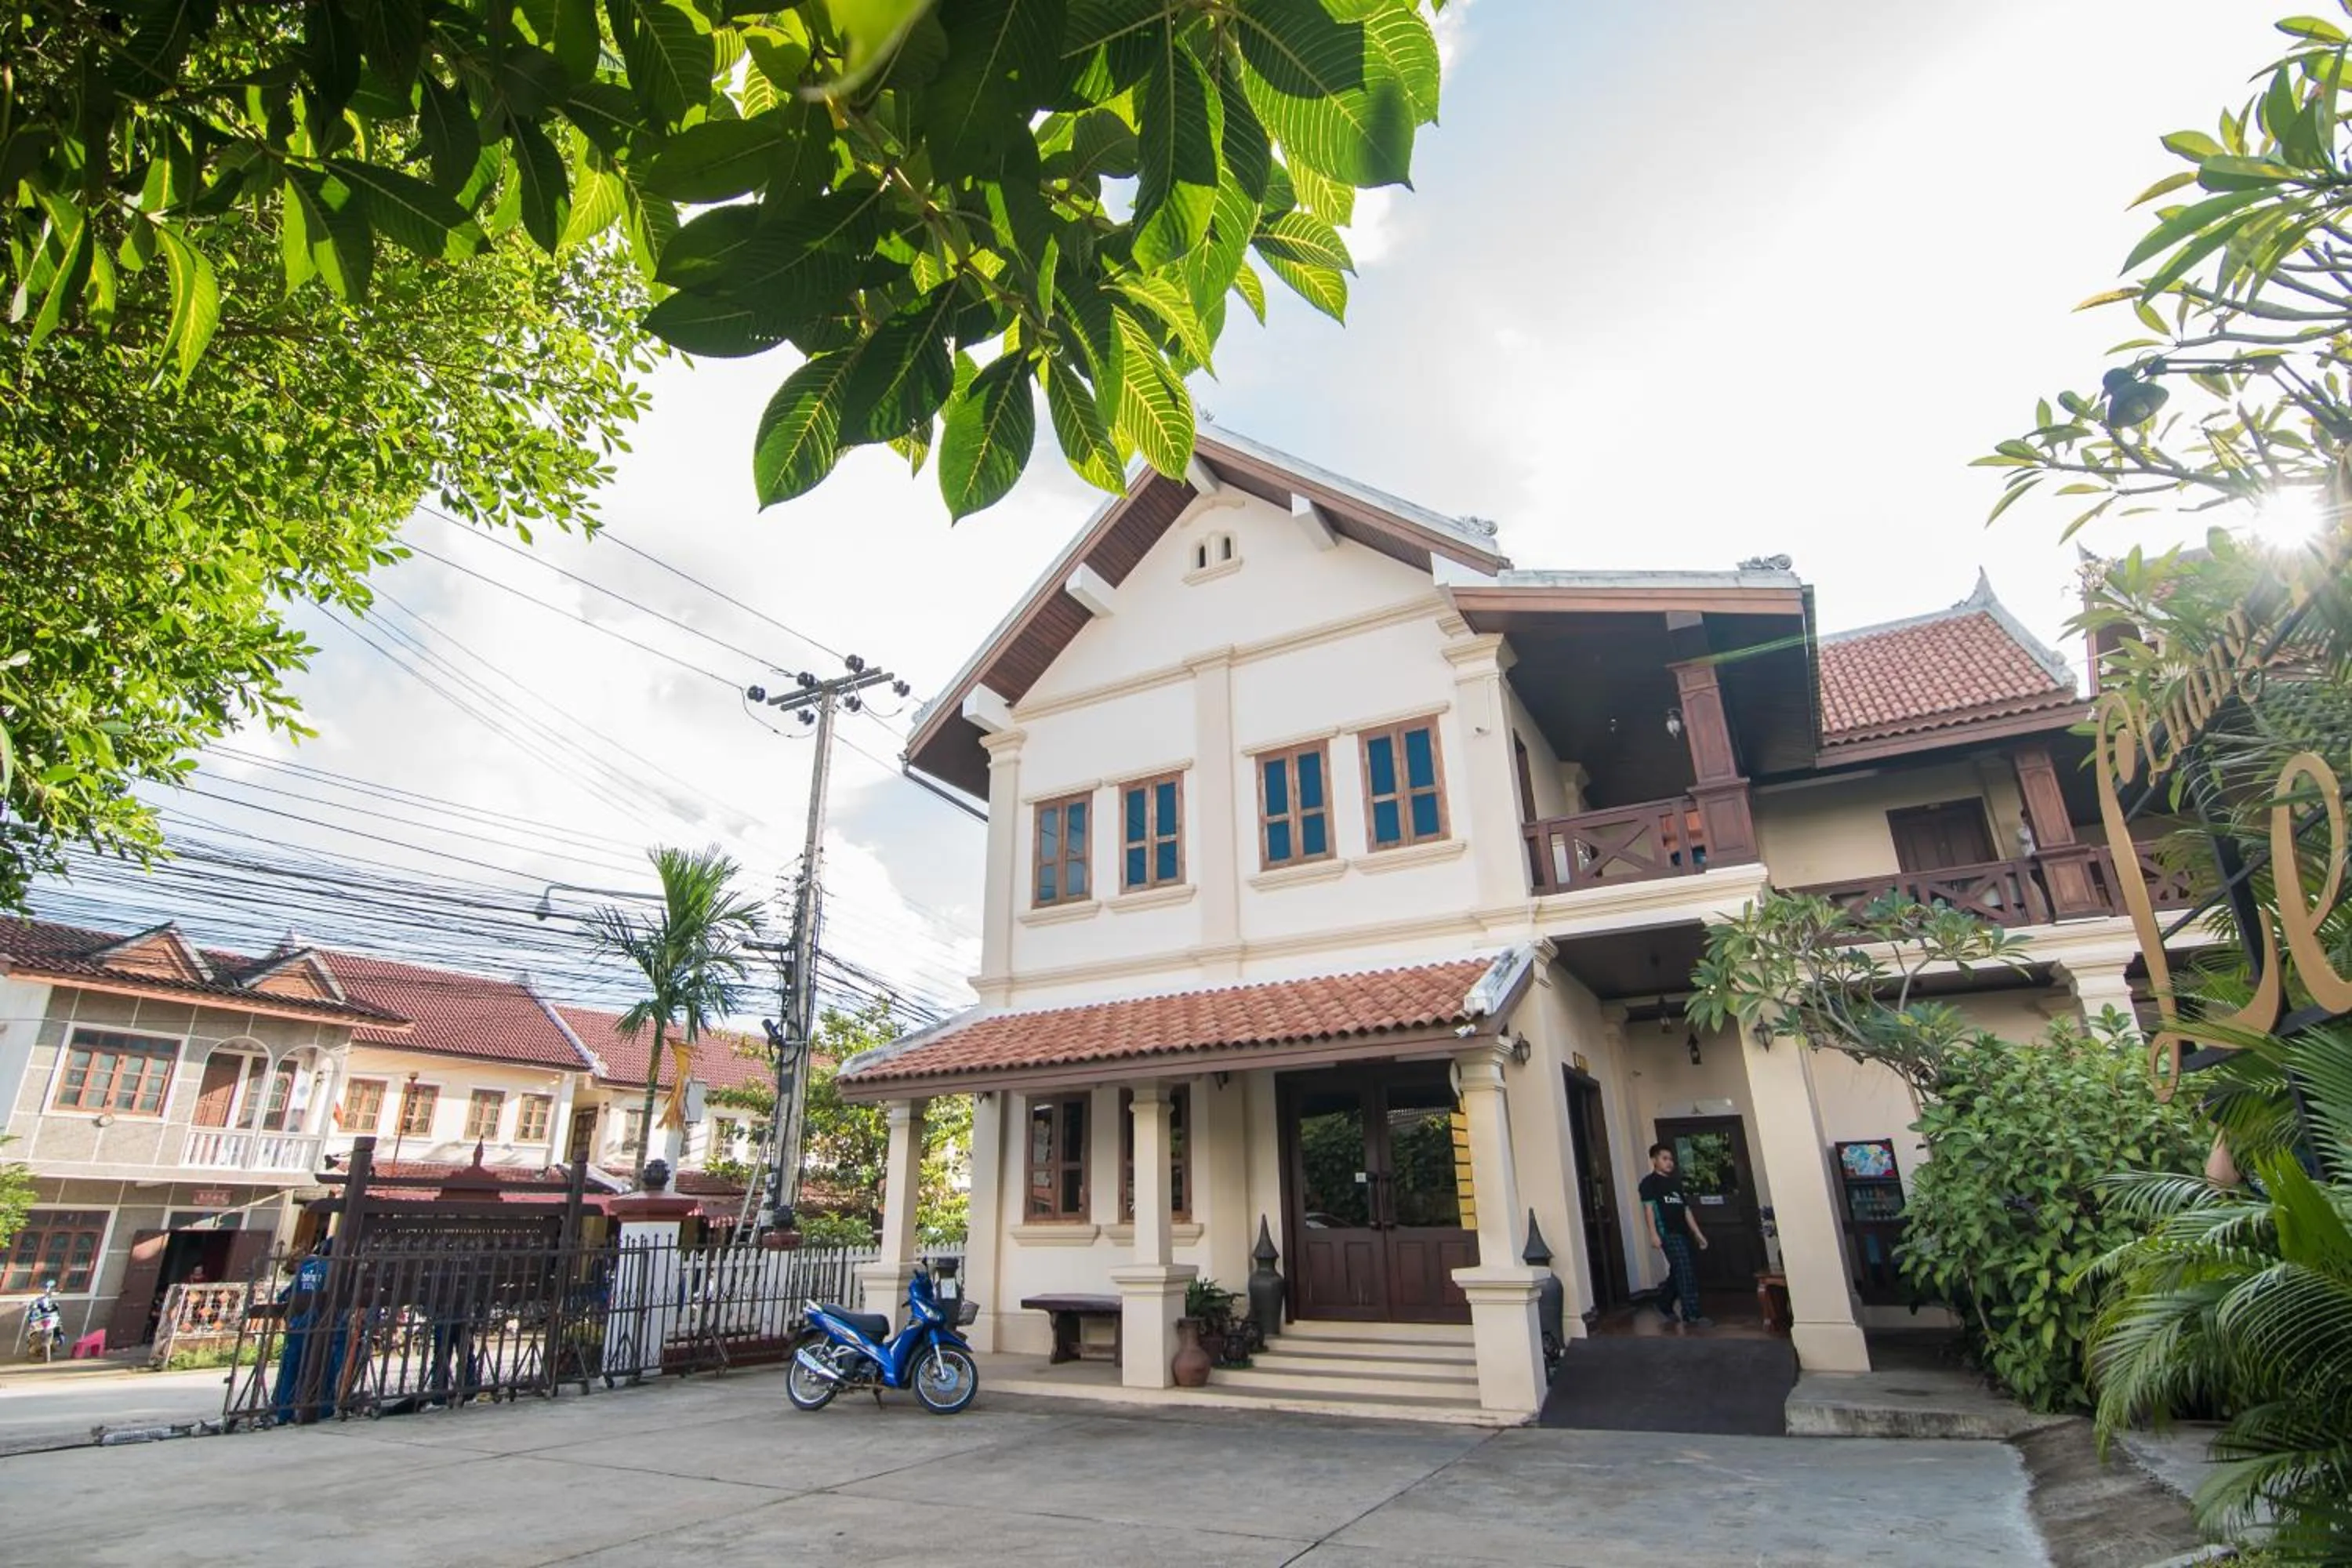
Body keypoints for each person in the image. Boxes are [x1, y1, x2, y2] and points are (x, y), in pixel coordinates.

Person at [1639, 1142, 1712, 1328]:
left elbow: (1685, 1209)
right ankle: (1692, 1315)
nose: (1669, 1162)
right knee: (1685, 1270)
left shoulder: (1675, 1183)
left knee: (1681, 1269)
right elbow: (1648, 1209)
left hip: (1683, 1232)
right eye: (1665, 1159)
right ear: (1654, 1160)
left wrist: (1698, 1233)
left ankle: (1663, 1303)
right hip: (1667, 1233)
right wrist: (1653, 1235)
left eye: (1671, 1159)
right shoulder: (1649, 1183)